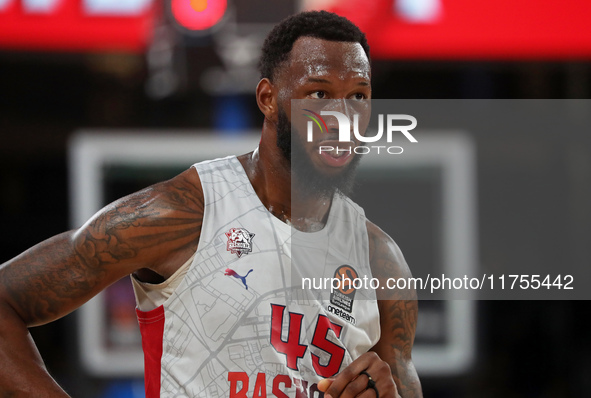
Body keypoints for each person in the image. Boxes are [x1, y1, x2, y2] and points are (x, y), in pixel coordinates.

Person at [0, 10, 422, 398]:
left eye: (359, 96)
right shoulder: (185, 213)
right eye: (319, 93)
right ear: (268, 98)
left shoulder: (380, 260)